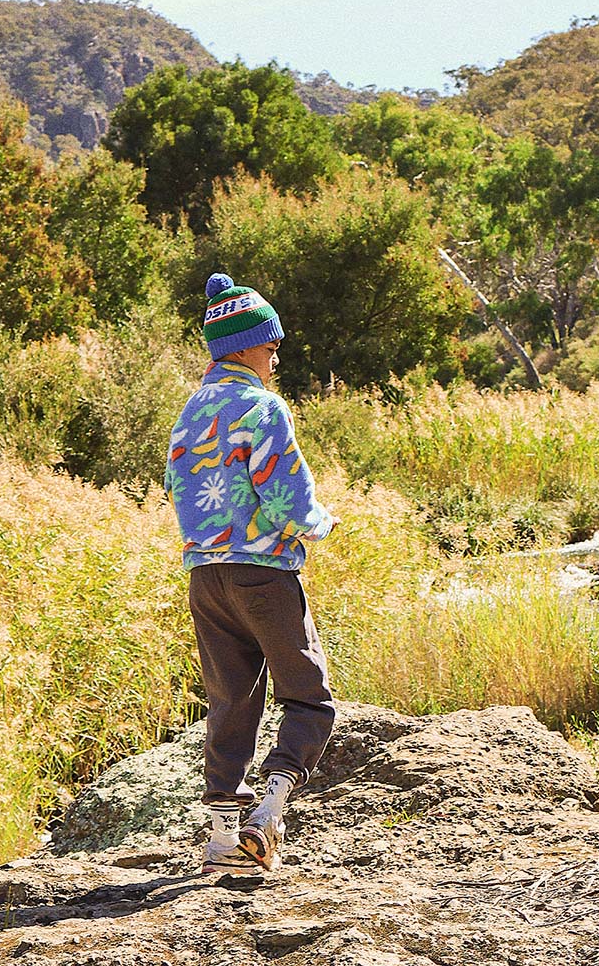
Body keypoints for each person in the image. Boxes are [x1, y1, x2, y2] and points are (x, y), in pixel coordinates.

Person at [165, 272, 338, 877]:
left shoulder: (189, 414)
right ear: (242, 347)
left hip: (205, 577)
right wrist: (319, 524)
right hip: (263, 574)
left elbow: (177, 489)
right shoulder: (263, 407)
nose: (276, 354)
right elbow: (287, 498)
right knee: (309, 697)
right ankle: (267, 814)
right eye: (271, 343)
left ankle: (221, 840)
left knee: (230, 701)